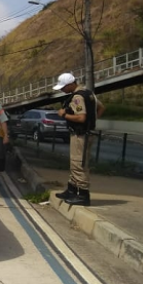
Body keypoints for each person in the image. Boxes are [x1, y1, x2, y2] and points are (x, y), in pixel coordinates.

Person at [52, 73, 105, 206]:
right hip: (85, 133)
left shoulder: (78, 97)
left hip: (81, 135)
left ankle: (82, 195)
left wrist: (64, 115)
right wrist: (92, 123)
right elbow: (101, 108)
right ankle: (71, 190)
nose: (62, 90)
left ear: (70, 84)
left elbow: (81, 117)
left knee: (78, 164)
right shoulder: (88, 93)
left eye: (63, 87)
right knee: (75, 163)